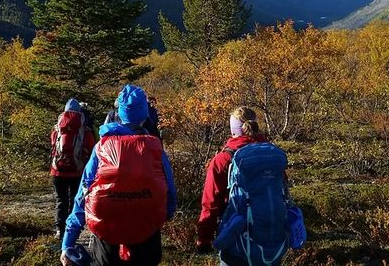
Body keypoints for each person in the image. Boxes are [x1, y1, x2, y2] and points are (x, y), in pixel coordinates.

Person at [61, 84, 177, 266]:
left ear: (120, 113)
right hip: (146, 229)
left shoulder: (102, 147)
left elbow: (83, 193)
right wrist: (165, 214)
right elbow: (169, 191)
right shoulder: (155, 147)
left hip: (107, 233)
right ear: (144, 114)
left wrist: (68, 241)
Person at [197, 107, 288, 266]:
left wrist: (204, 239)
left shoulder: (223, 159)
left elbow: (210, 204)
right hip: (273, 236)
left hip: (236, 237)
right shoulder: (272, 154)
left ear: (233, 130)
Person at [51, 98, 95, 240]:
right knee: (74, 199)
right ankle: (71, 230)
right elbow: (91, 147)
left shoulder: (57, 128)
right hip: (77, 170)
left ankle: (59, 229)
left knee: (60, 199)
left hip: (57, 170)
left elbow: (53, 144)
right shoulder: (84, 129)